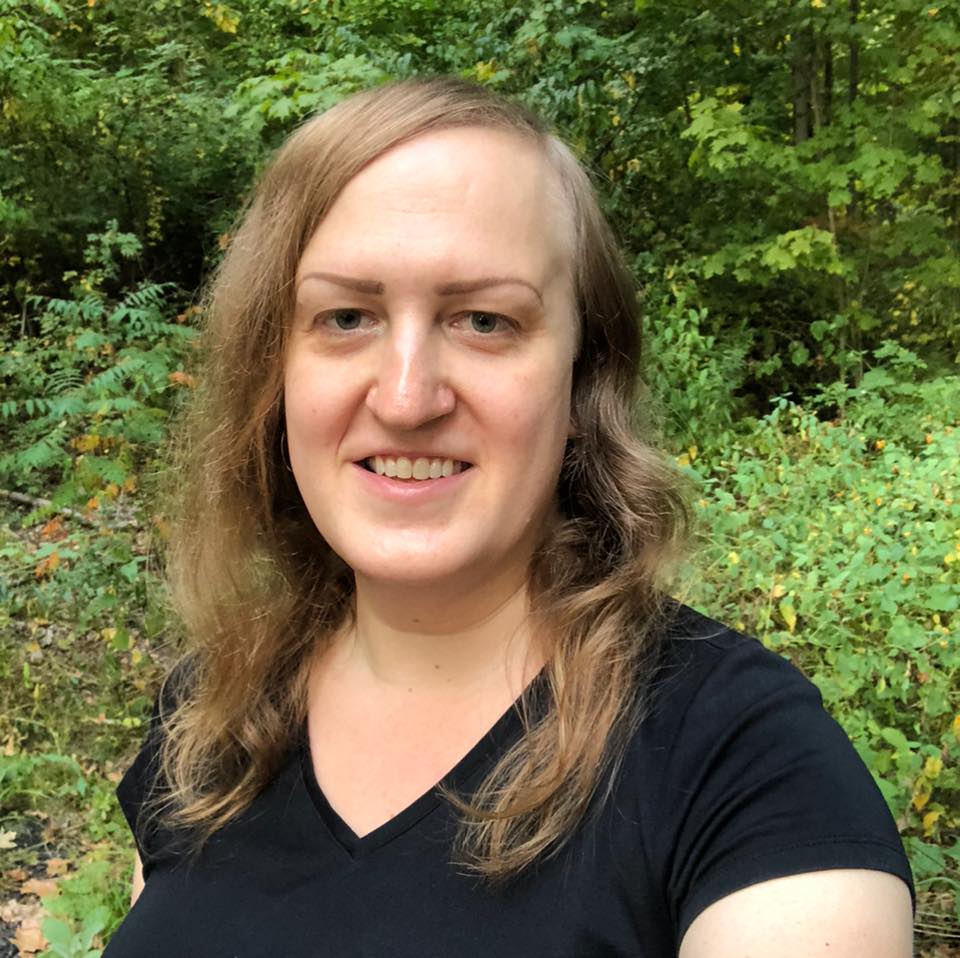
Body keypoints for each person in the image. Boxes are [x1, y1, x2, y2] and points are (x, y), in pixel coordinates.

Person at [105, 77, 914, 957]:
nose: (408, 397)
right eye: (345, 317)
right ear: (277, 373)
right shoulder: (210, 718)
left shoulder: (741, 762)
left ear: (582, 381)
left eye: (485, 321)